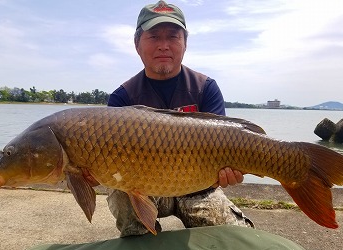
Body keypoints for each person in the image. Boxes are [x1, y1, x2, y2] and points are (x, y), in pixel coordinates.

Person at [107, 0, 253, 237]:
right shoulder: (123, 98)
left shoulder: (205, 88)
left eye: (173, 37)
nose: (164, 46)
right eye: (153, 36)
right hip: (147, 192)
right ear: (137, 44)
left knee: (237, 240)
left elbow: (225, 150)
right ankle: (141, 244)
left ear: (185, 44)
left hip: (199, 191)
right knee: (118, 189)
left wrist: (227, 173)